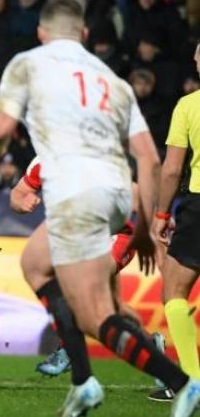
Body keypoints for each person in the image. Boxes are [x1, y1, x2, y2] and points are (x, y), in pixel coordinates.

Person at [0, 0, 200, 416]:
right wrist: (147, 226)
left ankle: (180, 383)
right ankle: (84, 381)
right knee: (44, 268)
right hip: (122, 192)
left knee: (89, 311)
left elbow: (0, 127)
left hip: (77, 189)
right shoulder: (113, 81)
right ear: (83, 35)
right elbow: (150, 160)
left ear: (41, 34)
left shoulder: (28, 62)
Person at [9, 155, 174, 401]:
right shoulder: (44, 159)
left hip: (119, 235)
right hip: (81, 235)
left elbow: (132, 188)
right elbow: (18, 193)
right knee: (113, 309)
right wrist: (23, 202)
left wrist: (157, 216)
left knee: (81, 286)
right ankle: (152, 347)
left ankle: (68, 348)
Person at [152, 42, 200, 392]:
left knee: (175, 292)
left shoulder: (189, 106)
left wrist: (161, 213)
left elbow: (171, 170)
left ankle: (193, 381)